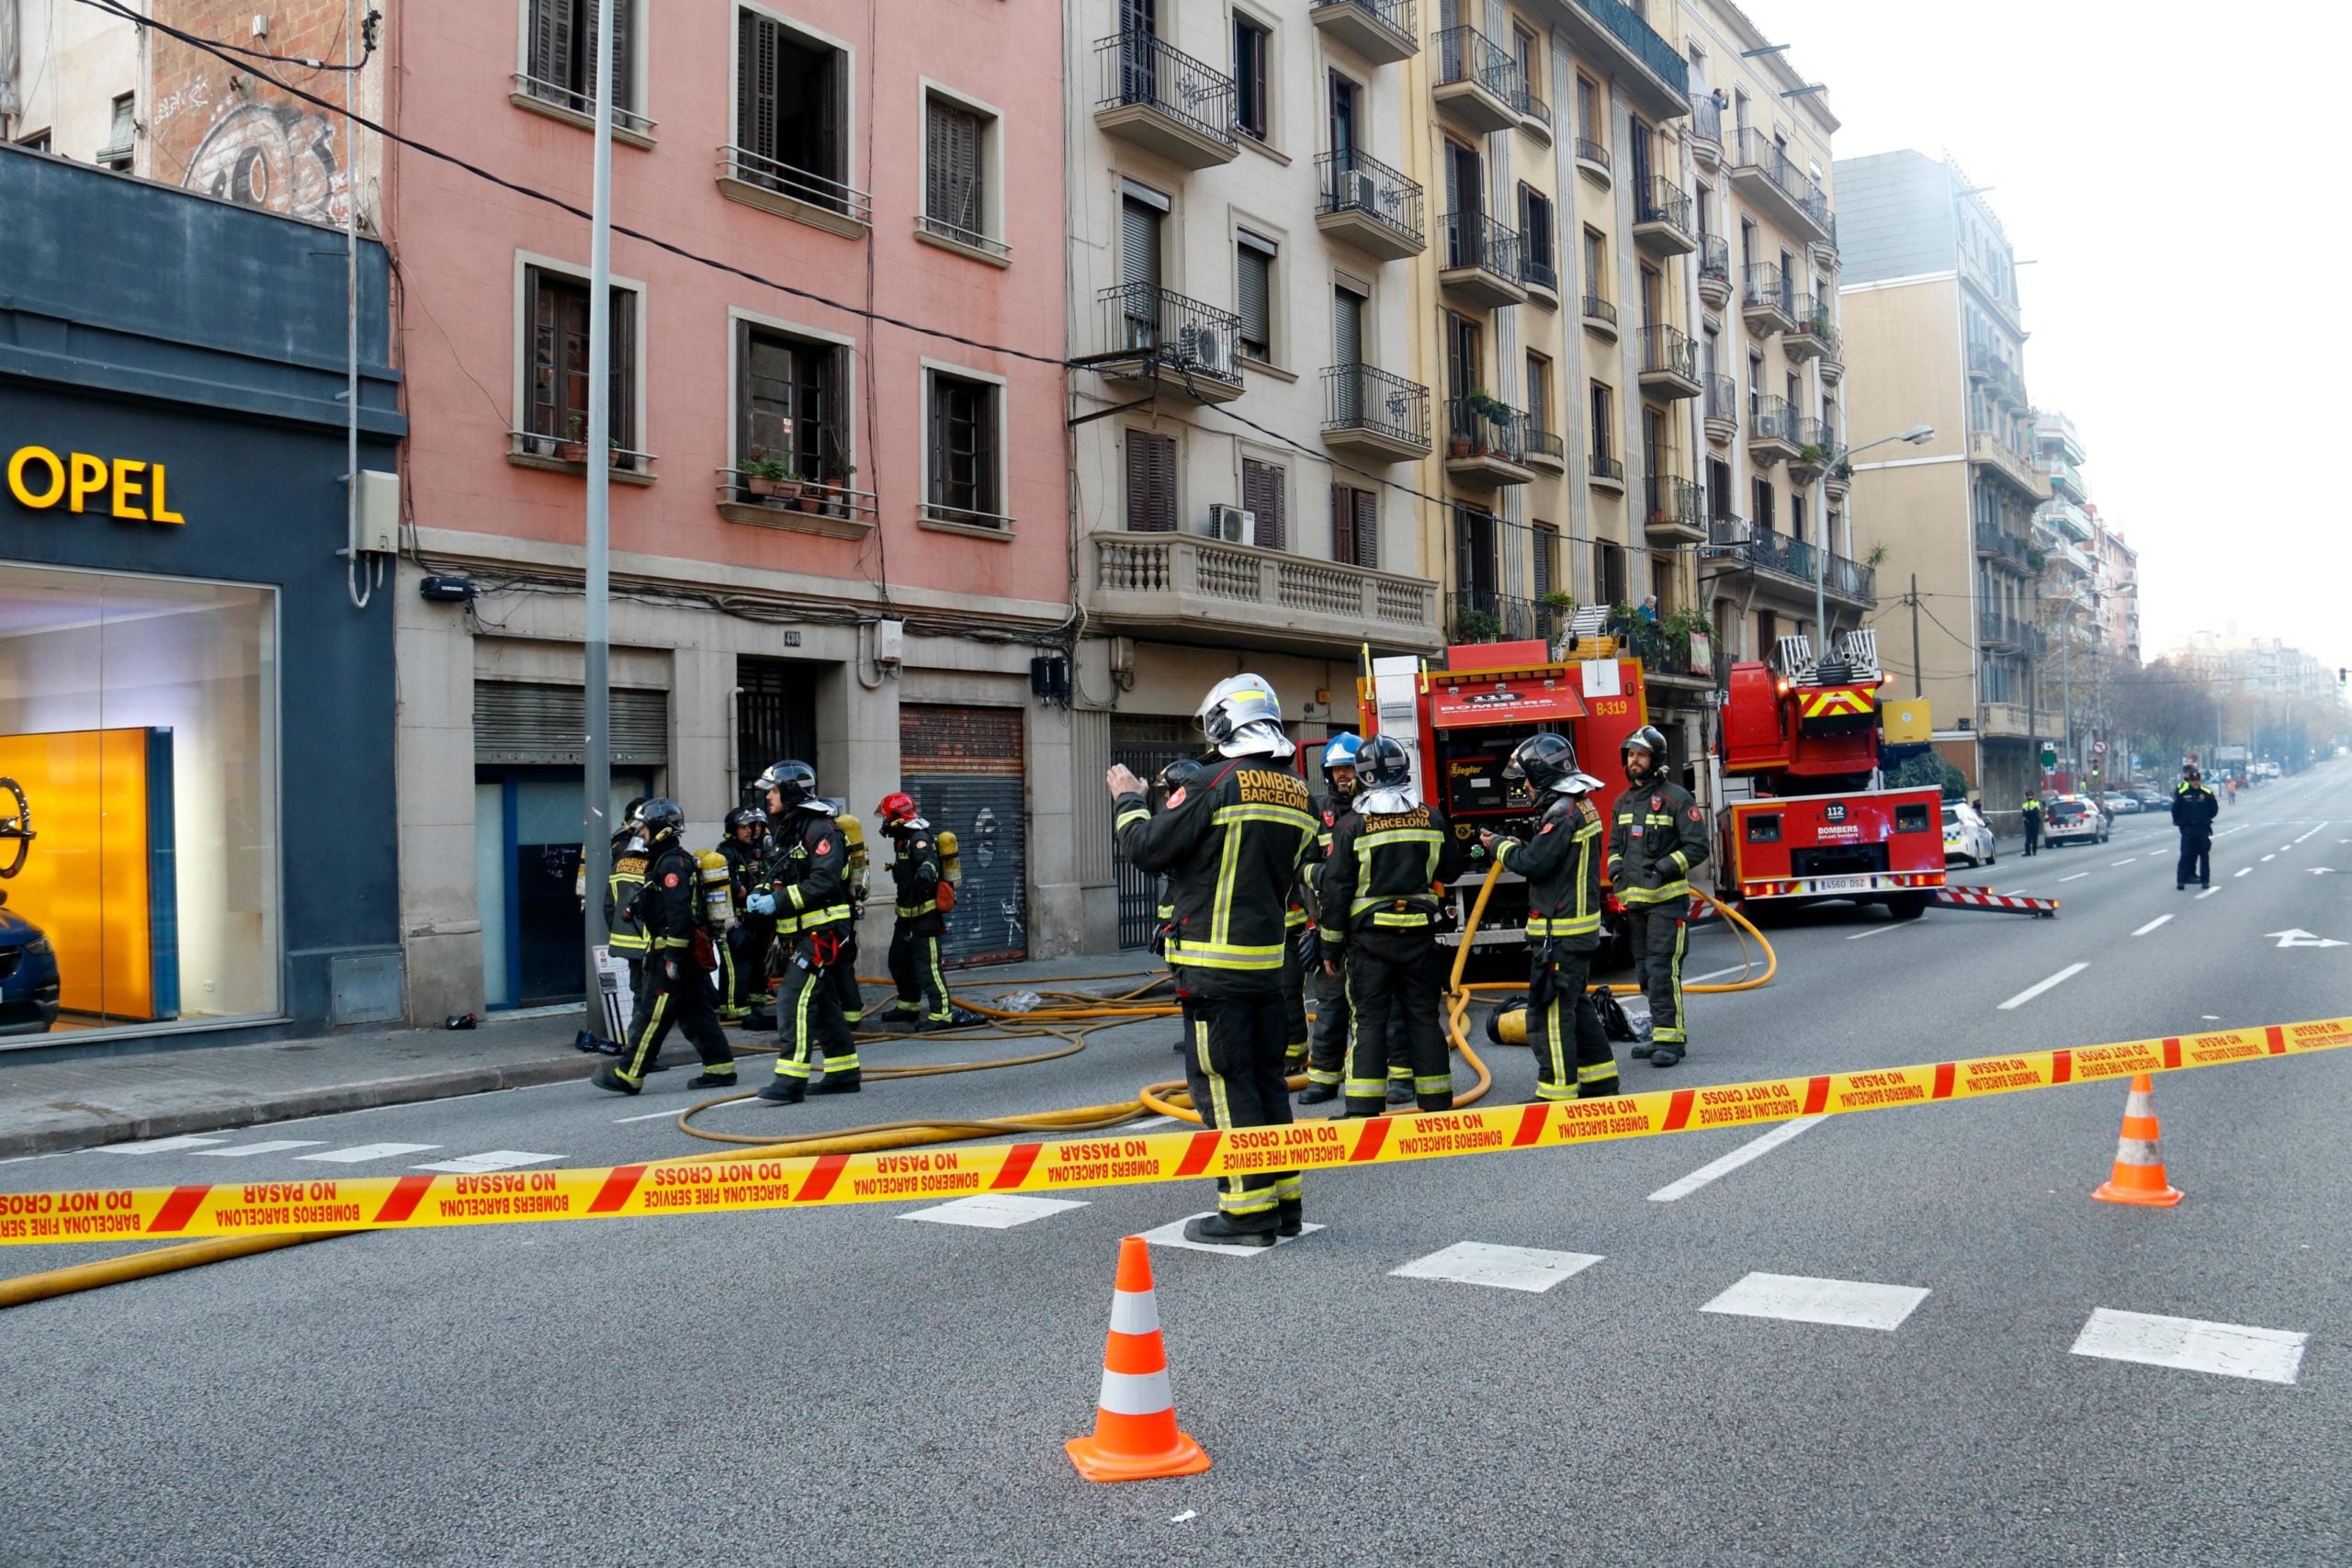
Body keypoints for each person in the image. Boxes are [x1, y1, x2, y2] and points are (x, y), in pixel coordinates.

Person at [1108, 673, 1318, 1247]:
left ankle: (1246, 1213)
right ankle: (1284, 1202)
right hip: (1268, 966)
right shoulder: (1300, 791)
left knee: (1224, 1085)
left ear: (1225, 723)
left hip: (1211, 965)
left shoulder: (1212, 782)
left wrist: (1127, 798)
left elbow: (1147, 849)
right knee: (1268, 1080)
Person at [1317, 735, 1470, 1117]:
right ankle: (1437, 1102)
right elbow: (1452, 870)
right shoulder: (1432, 816)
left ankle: (1364, 1108)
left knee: (1369, 1021)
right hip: (1419, 935)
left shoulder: (1352, 825)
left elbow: (1336, 892)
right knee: (1422, 1015)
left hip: (1370, 942)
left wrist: (1329, 949)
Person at [1481, 732, 1618, 1102]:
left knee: (1548, 1014)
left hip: (1560, 933)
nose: (1524, 787)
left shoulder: (1562, 813)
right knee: (1577, 1005)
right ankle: (1600, 1079)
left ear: (1542, 775)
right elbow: (1553, 858)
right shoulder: (1581, 806)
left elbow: (1534, 863)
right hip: (1579, 929)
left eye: (1527, 778)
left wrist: (1498, 846)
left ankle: (1556, 1092)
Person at [591, 800, 738, 1095]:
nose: (641, 834)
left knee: (652, 1014)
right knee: (696, 1014)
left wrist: (672, 957)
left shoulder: (671, 864)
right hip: (682, 955)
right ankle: (720, 1067)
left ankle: (629, 1074)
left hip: (673, 954)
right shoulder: (667, 861)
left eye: (644, 828)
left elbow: (679, 913)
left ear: (659, 830)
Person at [745, 759, 859, 1103]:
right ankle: (843, 1072)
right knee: (822, 1003)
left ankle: (790, 1079)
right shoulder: (791, 828)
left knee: (794, 997)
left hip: (822, 931)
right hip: (803, 932)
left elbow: (823, 880)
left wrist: (777, 901)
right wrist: (763, 894)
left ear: (792, 791)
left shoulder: (821, 829)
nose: (768, 797)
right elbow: (787, 875)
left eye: (775, 791)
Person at [1609, 726, 1709, 1069]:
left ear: (1655, 759)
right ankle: (1657, 1033)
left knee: (1663, 971)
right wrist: (1616, 874)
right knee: (1645, 975)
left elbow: (1698, 847)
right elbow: (1613, 848)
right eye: (1630, 754)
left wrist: (1665, 867)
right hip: (1635, 907)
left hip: (1668, 903)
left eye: (1640, 755)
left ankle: (1672, 1039)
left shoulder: (1677, 798)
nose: (1633, 760)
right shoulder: (1622, 802)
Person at [876, 791, 955, 1029]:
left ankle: (942, 1014)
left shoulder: (918, 837)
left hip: (925, 917)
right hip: (906, 917)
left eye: (886, 817)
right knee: (898, 962)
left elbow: (929, 859)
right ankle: (909, 1004)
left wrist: (926, 872)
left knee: (927, 966)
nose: (884, 822)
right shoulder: (901, 838)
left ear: (898, 817)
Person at [718, 806, 772, 1025]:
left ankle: (755, 1003)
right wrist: (735, 887)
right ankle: (733, 1009)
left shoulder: (755, 851)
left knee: (757, 963)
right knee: (737, 964)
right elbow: (716, 881)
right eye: (745, 827)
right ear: (733, 829)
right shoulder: (726, 852)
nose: (751, 830)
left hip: (755, 918)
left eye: (755, 826)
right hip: (735, 919)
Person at [2172, 764, 2219, 890]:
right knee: (2186, 854)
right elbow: (2175, 808)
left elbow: (2213, 809)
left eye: (2197, 780)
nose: (2195, 783)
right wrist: (2179, 821)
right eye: (2193, 780)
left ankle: (2205, 880)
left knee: (2204, 855)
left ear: (2200, 780)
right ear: (2189, 780)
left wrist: (2205, 818)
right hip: (2187, 829)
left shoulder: (2206, 792)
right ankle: (2181, 880)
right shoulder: (2183, 792)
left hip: (2202, 828)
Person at [2020, 791, 2043, 857]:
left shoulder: (2035, 803)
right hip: (2030, 822)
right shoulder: (2026, 804)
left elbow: (2034, 812)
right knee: (2030, 837)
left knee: (2032, 837)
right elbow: (2025, 814)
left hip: (2032, 822)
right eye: (2029, 795)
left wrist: (2028, 813)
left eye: (2030, 795)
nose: (2029, 797)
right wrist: (2030, 812)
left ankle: (2032, 851)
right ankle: (2030, 851)